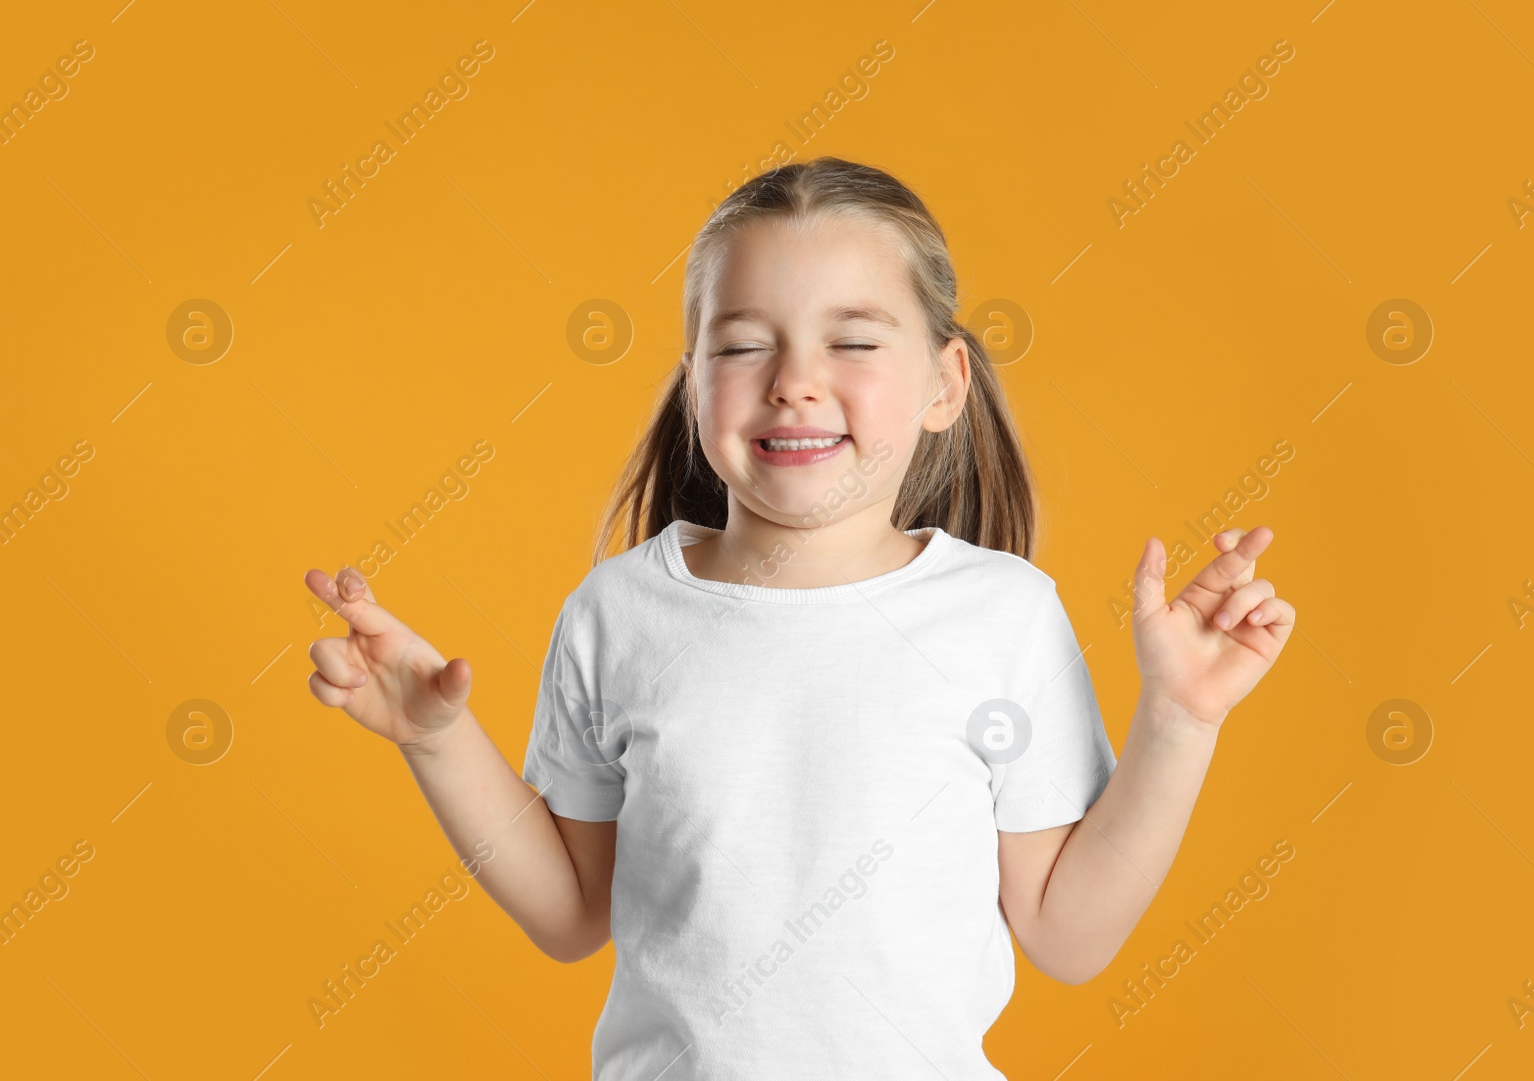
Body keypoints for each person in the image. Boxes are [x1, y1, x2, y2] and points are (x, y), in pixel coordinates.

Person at [304, 156, 1294, 1079]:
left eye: (852, 340)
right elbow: (571, 913)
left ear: (944, 385)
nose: (793, 381)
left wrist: (1178, 723)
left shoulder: (1003, 616)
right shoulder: (618, 613)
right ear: (693, 383)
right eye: (741, 345)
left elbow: (1066, 938)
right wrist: (436, 741)